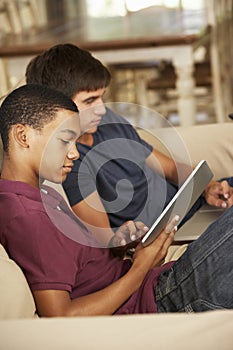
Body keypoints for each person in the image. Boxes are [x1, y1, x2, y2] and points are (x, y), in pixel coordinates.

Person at [0, 84, 233, 318]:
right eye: (64, 141)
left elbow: (84, 267)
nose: (75, 153)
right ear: (23, 136)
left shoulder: (40, 195)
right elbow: (60, 316)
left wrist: (121, 244)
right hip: (163, 298)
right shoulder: (27, 216)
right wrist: (141, 268)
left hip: (158, 283)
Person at [25, 43, 233, 247]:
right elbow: (108, 240)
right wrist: (126, 239)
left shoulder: (107, 122)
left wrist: (208, 187)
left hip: (193, 202)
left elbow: (168, 167)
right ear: (56, 106)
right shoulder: (71, 164)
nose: (102, 110)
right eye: (90, 101)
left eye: (101, 97)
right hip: (174, 232)